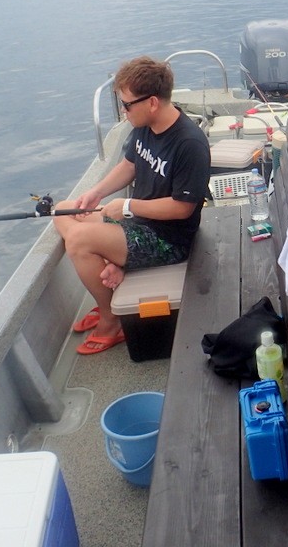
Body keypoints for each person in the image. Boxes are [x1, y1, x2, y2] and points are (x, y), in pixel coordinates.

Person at [55, 56, 210, 355]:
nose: (124, 112)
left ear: (152, 102)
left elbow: (183, 208)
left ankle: (111, 318)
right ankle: (117, 269)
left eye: (126, 105)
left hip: (169, 239)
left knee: (78, 239)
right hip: (138, 224)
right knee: (65, 209)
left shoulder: (189, 143)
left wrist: (128, 206)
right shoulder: (143, 126)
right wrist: (96, 193)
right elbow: (129, 165)